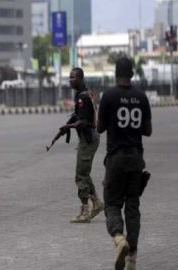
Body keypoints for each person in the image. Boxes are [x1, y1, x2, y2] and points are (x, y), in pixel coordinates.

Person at [97, 57, 152, 270]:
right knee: (132, 206)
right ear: (132, 74)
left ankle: (119, 238)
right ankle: (132, 259)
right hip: (136, 158)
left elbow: (100, 128)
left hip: (116, 158)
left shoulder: (109, 96)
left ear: (115, 73)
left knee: (111, 203)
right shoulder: (141, 97)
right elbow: (148, 130)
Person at [59, 67, 104, 223]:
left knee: (80, 175)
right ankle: (97, 203)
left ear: (80, 78)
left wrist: (69, 127)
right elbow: (78, 116)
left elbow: (84, 121)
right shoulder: (83, 94)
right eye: (69, 77)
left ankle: (85, 211)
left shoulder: (83, 97)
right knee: (84, 173)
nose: (70, 80)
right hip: (88, 138)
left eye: (73, 77)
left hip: (88, 139)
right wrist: (66, 126)